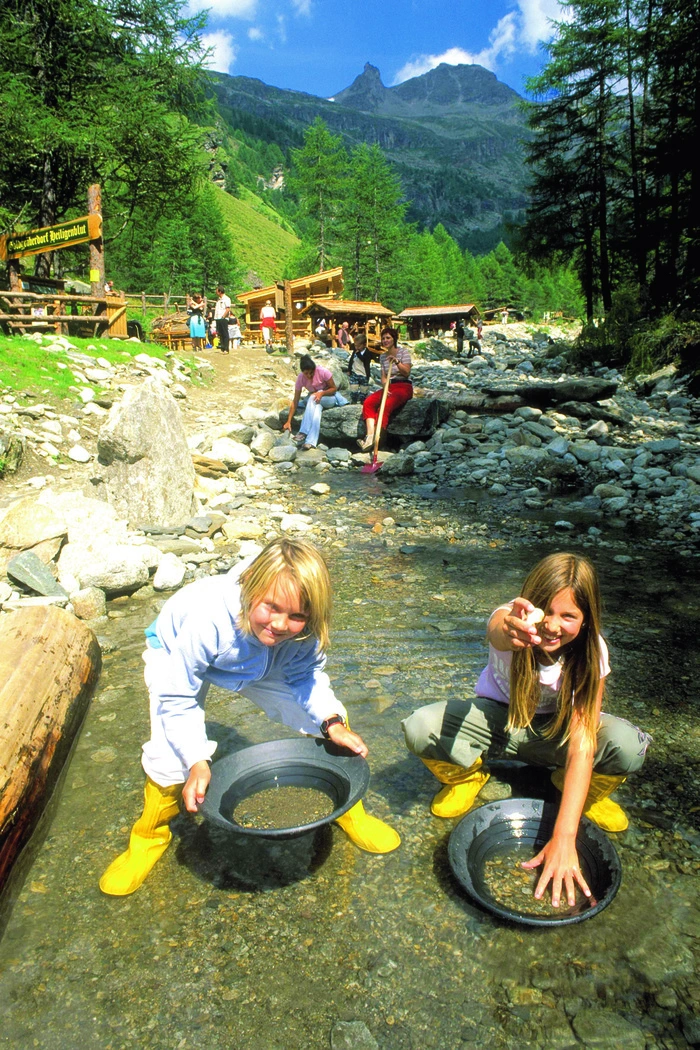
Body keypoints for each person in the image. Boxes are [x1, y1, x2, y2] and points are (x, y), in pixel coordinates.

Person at [99, 539, 401, 897]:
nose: (279, 624)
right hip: (177, 653)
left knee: (332, 723)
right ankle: (147, 838)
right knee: (169, 758)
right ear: (250, 587)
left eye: (296, 615)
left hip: (260, 663)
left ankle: (350, 810)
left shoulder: (302, 631)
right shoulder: (208, 619)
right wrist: (197, 761)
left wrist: (330, 720)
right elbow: (178, 696)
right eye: (272, 607)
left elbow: (307, 677)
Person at [402, 552, 650, 908]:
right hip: (499, 722)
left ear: (586, 620)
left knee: (627, 746)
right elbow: (499, 630)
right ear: (528, 604)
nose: (552, 625)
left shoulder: (593, 651)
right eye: (545, 610)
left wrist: (565, 835)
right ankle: (466, 777)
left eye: (569, 616)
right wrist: (510, 630)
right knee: (420, 727)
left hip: (558, 737)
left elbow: (583, 743)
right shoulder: (509, 620)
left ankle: (578, 791)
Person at [357, 327, 412, 452]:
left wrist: (397, 362)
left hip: (403, 386)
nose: (385, 340)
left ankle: (379, 439)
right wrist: (385, 387)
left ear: (394, 339)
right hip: (390, 386)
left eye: (388, 338)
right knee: (369, 402)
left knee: (386, 405)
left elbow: (407, 372)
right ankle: (370, 437)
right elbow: (383, 377)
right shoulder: (382, 357)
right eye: (383, 338)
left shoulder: (403, 352)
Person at [283, 354, 349, 450]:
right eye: (306, 373)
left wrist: (321, 393)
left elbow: (334, 389)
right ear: (302, 372)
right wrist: (288, 421)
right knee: (316, 410)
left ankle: (303, 432)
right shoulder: (300, 378)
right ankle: (310, 441)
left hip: (329, 398)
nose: (309, 375)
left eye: (311, 373)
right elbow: (296, 400)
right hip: (316, 402)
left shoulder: (323, 372)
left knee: (312, 397)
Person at [214, 286, 231, 353]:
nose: (216, 292)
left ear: (220, 291)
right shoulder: (218, 299)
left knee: (225, 333)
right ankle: (222, 347)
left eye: (217, 291)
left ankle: (226, 348)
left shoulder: (226, 299)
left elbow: (228, 309)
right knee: (220, 333)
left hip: (223, 318)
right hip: (218, 318)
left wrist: (223, 316)